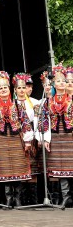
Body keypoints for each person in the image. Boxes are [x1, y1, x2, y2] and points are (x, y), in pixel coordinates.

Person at [0, 71, 33, 208]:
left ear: (9, 89)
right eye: (0, 88)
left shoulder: (17, 104)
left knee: (17, 167)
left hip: (17, 138)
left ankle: (17, 197)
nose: (3, 90)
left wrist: (28, 140)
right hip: (1, 140)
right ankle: (8, 198)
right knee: (4, 168)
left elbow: (25, 122)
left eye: (5, 87)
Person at [38, 64, 73, 208]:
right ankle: (66, 197)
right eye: (58, 81)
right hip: (56, 136)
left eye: (63, 81)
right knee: (60, 167)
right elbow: (44, 120)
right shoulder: (48, 102)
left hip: (70, 135)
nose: (61, 83)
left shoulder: (71, 99)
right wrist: (45, 139)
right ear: (53, 84)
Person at [13, 72, 41, 206]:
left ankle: (33, 199)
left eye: (24, 87)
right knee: (20, 166)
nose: (22, 90)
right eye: (19, 88)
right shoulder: (12, 104)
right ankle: (21, 199)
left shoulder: (35, 102)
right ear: (15, 90)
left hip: (31, 135)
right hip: (17, 136)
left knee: (33, 167)